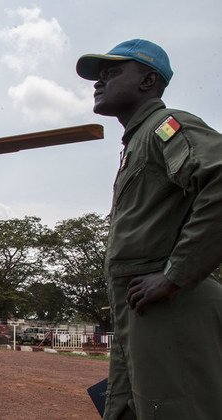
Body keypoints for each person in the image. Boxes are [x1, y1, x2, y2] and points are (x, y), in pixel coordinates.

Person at [76, 39, 222, 419]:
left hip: (168, 306)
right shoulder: (138, 141)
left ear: (148, 81)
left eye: (112, 72)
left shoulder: (166, 126)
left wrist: (175, 275)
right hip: (139, 310)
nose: (98, 82)